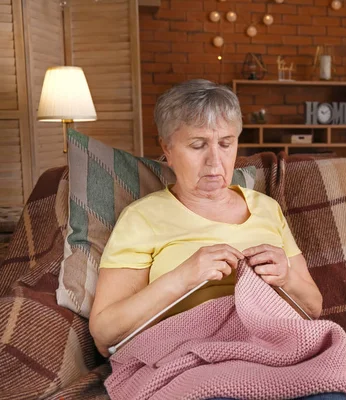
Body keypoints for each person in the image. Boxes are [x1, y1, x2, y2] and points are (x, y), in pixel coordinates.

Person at [89, 80, 324, 367]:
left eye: (226, 144)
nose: (215, 161)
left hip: (275, 349)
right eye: (198, 145)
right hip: (192, 358)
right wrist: (184, 276)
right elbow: (104, 335)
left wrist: (286, 278)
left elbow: (313, 307)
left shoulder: (267, 208)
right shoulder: (142, 218)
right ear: (168, 148)